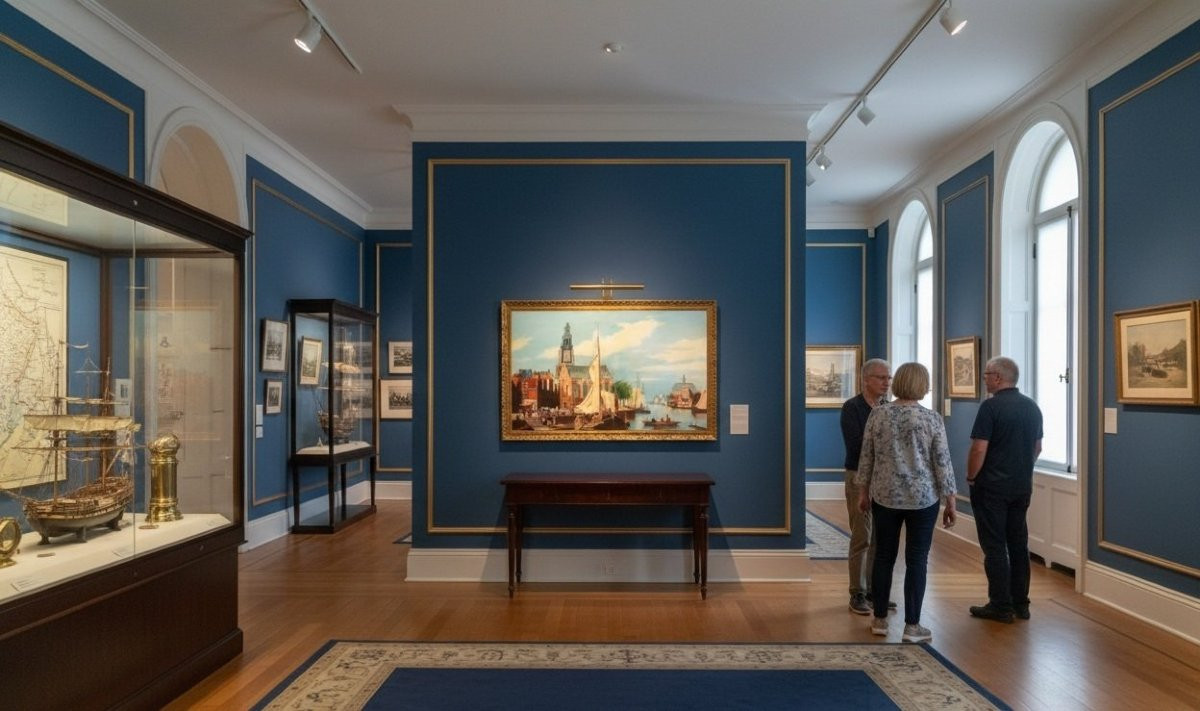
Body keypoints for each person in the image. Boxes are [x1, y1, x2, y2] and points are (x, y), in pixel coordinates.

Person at [856, 362, 956, 642]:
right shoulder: (931, 419)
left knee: (884, 557)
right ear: (922, 385)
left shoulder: (878, 415)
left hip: (886, 496)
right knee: (917, 561)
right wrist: (950, 500)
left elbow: (867, 457)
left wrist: (863, 492)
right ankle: (912, 626)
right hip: (923, 499)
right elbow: (942, 462)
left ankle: (879, 619)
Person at [966, 356, 1043, 624]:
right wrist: (1022, 469)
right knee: (1019, 544)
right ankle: (1021, 603)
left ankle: (1000, 604)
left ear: (998, 378)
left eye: (987, 374)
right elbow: (1037, 448)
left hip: (992, 488)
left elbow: (979, 448)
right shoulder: (1032, 407)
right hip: (1021, 487)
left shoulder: (991, 407)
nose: (984, 378)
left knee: (995, 546)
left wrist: (971, 477)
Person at [840, 358, 892, 615]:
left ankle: (875, 590)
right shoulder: (852, 408)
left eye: (889, 378)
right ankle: (857, 592)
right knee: (862, 535)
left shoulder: (890, 408)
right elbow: (856, 444)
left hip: (884, 479)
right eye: (881, 378)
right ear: (866, 379)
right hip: (858, 476)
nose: (887, 382)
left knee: (880, 538)